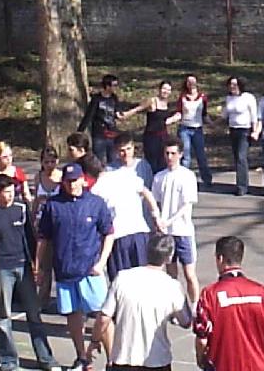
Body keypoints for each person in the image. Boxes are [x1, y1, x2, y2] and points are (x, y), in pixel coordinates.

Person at [36, 163, 115, 370]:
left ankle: (113, 360)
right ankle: (82, 358)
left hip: (90, 271)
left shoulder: (96, 203)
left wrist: (102, 262)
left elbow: (109, 233)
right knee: (73, 315)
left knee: (103, 315)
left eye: (75, 180)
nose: (71, 185)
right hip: (65, 270)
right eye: (68, 181)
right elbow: (43, 238)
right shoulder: (53, 205)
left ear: (83, 179)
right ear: (63, 182)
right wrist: (38, 266)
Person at [0, 175, 61, 371]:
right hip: (2, 269)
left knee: (34, 314)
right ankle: (9, 361)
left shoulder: (21, 209)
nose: (9, 196)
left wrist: (37, 266)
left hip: (24, 267)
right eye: (5, 192)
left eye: (11, 192)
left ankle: (46, 358)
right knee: (4, 317)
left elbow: (31, 239)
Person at [85, 234, 192, 371]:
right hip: (157, 359)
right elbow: (186, 321)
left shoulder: (122, 278)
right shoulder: (172, 286)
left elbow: (104, 317)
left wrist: (94, 341)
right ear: (169, 257)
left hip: (123, 358)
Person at [194, 236, 264, 371]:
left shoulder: (210, 294)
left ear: (220, 259)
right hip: (256, 366)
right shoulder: (261, 292)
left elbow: (202, 335)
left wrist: (201, 359)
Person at [92, 164, 162, 281]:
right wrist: (156, 217)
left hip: (118, 238)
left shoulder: (97, 186)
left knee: (121, 281)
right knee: (145, 278)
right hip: (140, 234)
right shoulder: (127, 174)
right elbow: (146, 193)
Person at [152, 137, 200, 306]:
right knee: (171, 276)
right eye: (167, 153)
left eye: (173, 153)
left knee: (189, 274)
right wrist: (157, 220)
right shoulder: (159, 177)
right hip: (166, 235)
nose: (169, 157)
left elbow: (186, 206)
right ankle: (176, 307)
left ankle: (195, 307)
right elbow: (156, 202)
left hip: (183, 232)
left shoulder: (187, 176)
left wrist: (169, 221)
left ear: (180, 154)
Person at [167, 74, 213, 186]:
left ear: (197, 82)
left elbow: (204, 114)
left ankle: (207, 180)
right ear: (186, 84)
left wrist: (213, 124)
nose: (191, 83)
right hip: (185, 129)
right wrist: (169, 120)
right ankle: (182, 180)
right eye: (189, 81)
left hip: (197, 129)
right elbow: (179, 113)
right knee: (185, 156)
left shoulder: (202, 98)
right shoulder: (182, 97)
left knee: (201, 155)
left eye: (193, 81)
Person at [121, 80, 175, 174]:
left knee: (163, 162)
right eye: (164, 89)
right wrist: (126, 114)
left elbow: (164, 121)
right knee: (151, 162)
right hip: (151, 137)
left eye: (168, 90)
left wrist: (174, 118)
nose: (165, 91)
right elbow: (138, 109)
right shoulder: (153, 101)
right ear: (159, 89)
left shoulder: (167, 104)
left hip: (163, 137)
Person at [32, 146, 62, 308]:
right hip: (42, 223)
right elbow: (36, 201)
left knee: (60, 262)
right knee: (44, 264)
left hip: (58, 223)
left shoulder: (62, 177)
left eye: (52, 161)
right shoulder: (38, 177)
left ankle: (63, 299)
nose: (49, 165)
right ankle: (42, 299)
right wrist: (32, 218)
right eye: (46, 162)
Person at [222, 76, 257, 196]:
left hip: (245, 130)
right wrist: (212, 123)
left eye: (235, 84)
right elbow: (225, 114)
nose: (232, 87)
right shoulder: (229, 98)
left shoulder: (248, 97)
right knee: (237, 157)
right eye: (230, 84)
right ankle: (240, 183)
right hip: (233, 130)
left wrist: (255, 131)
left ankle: (242, 187)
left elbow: (254, 116)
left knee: (242, 157)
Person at [78, 74, 124, 164]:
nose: (116, 88)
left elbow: (117, 113)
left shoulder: (114, 98)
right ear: (107, 86)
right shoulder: (96, 99)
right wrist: (80, 131)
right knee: (98, 161)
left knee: (113, 160)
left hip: (112, 134)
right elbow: (89, 116)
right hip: (99, 135)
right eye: (114, 85)